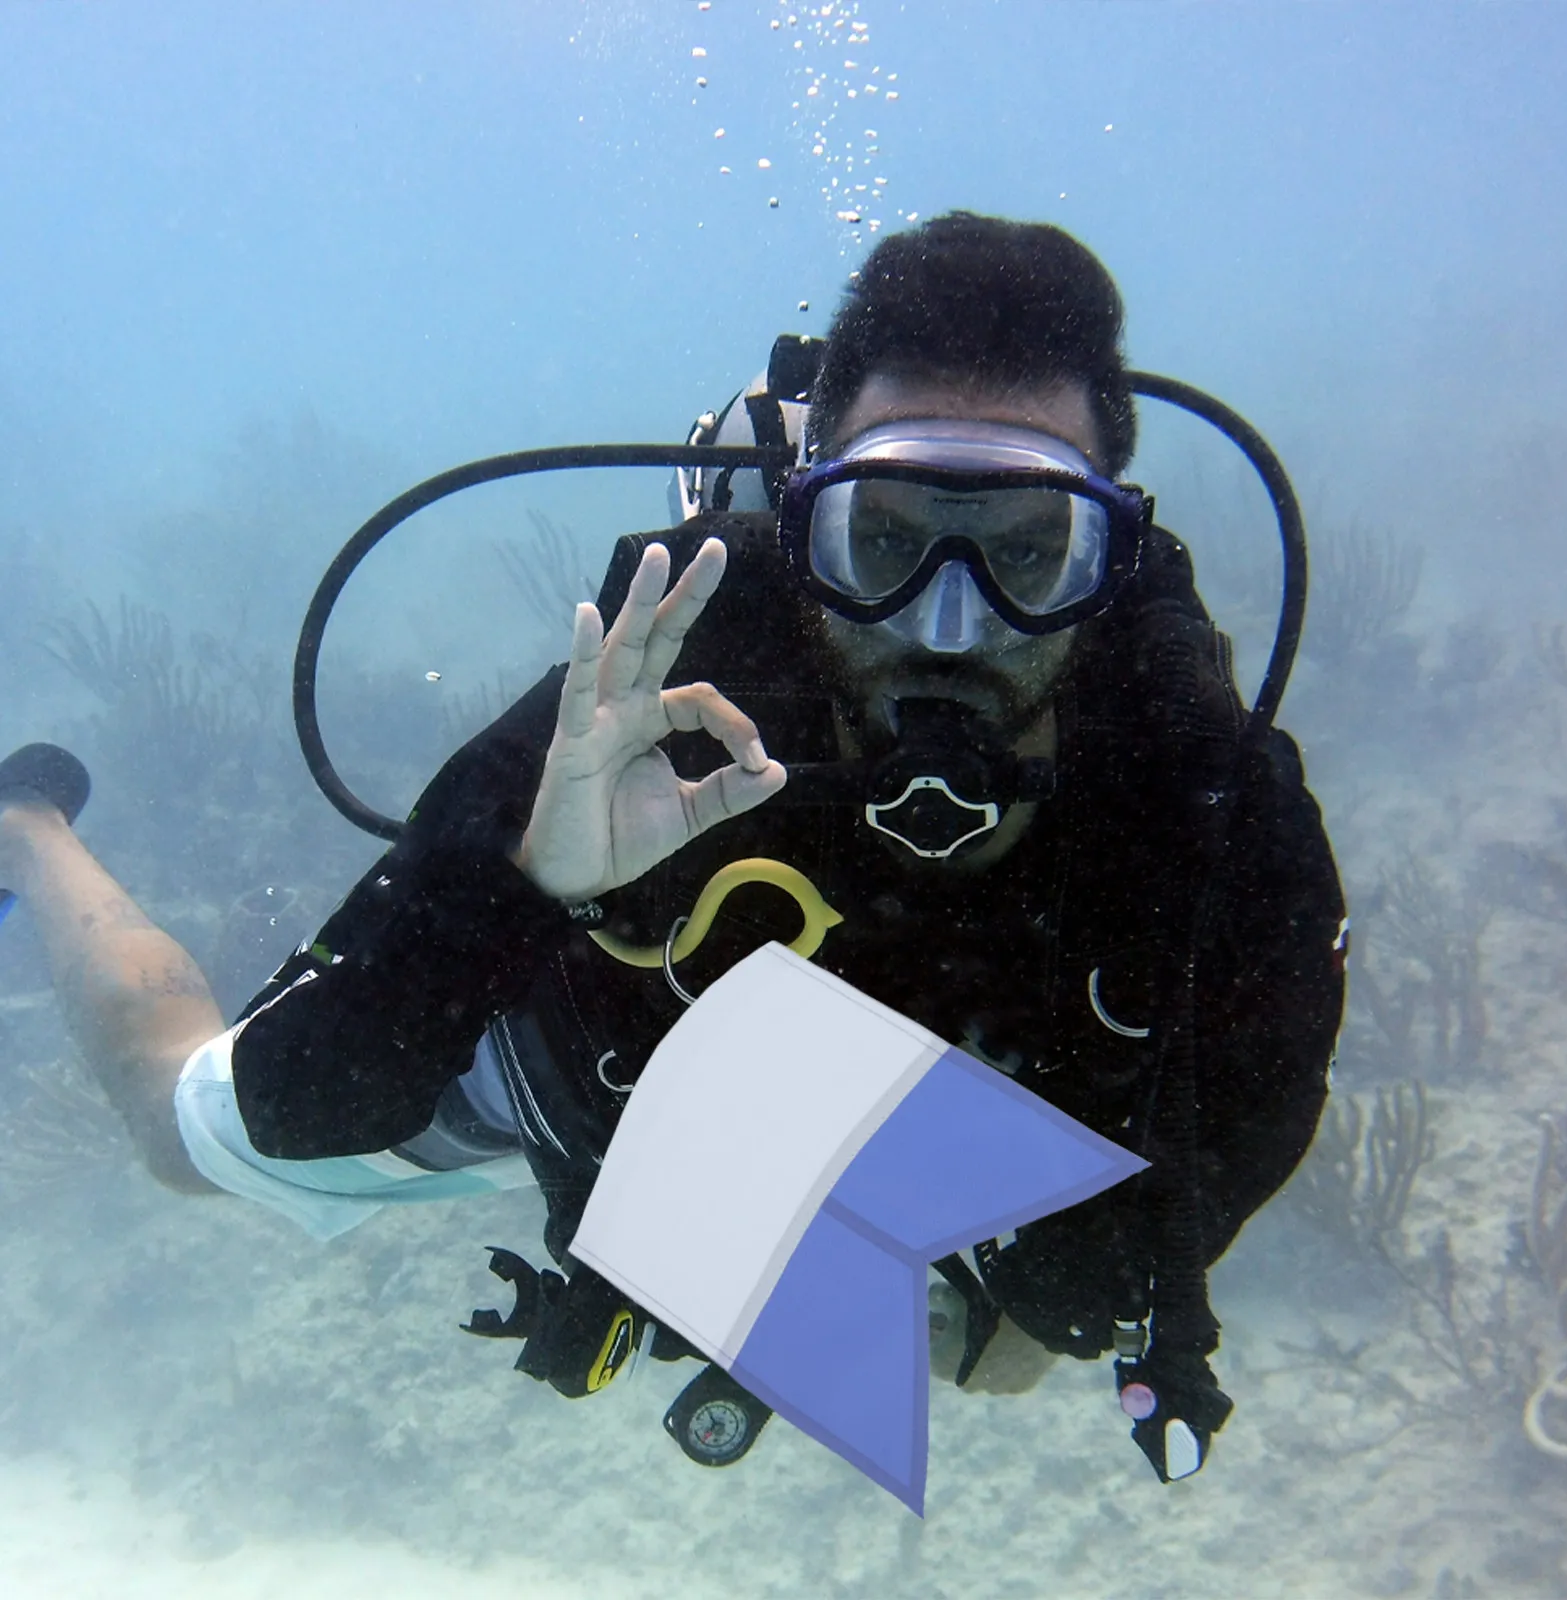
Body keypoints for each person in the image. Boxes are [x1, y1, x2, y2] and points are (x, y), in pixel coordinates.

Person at [0, 212, 1345, 1482]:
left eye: (1026, 547)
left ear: (1110, 548)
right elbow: (305, 1100)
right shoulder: (666, 672)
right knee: (181, 1128)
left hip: (941, 1098)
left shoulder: (1202, 783)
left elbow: (1114, 1278)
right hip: (591, 1067)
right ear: (799, 516)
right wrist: (516, 883)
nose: (951, 625)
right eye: (880, 537)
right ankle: (25, 827)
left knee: (1013, 1350)